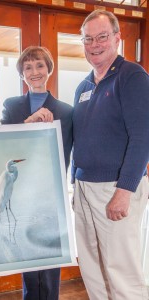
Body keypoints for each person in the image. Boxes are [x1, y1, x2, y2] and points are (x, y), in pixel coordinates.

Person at [72, 10, 149, 300]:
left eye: (102, 36)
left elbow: (143, 137)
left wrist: (125, 190)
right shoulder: (83, 86)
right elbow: (80, 138)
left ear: (117, 38)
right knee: (92, 269)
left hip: (115, 189)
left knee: (121, 274)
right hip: (83, 189)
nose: (94, 44)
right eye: (88, 39)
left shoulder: (132, 76)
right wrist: (73, 182)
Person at [0, 46, 73, 300]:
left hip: (52, 197)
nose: (34, 72)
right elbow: (3, 145)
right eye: (27, 67)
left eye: (39, 65)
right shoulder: (11, 106)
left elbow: (70, 154)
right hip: (22, 195)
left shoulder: (66, 111)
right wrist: (28, 124)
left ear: (49, 69)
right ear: (21, 74)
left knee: (51, 262)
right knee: (28, 263)